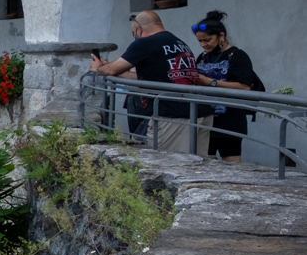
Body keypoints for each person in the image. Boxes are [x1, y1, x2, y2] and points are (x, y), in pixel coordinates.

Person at [91, 10, 201, 148]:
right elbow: (141, 76)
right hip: (198, 110)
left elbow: (111, 69)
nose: (135, 37)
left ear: (138, 28)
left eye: (133, 34)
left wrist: (98, 68)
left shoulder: (145, 43)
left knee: (164, 163)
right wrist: (108, 68)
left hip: (172, 114)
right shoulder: (178, 42)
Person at [192, 10, 262, 163]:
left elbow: (244, 88)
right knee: (202, 163)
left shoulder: (238, 56)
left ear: (221, 36)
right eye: (200, 41)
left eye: (207, 40)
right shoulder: (203, 56)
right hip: (205, 121)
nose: (203, 44)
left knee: (231, 164)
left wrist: (211, 82)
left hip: (229, 121)